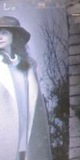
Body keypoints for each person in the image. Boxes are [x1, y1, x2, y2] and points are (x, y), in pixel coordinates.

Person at [0, 16, 52, 160]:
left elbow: (35, 102)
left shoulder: (28, 66)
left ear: (14, 35)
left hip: (27, 131)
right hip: (4, 134)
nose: (0, 37)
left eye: (4, 32)